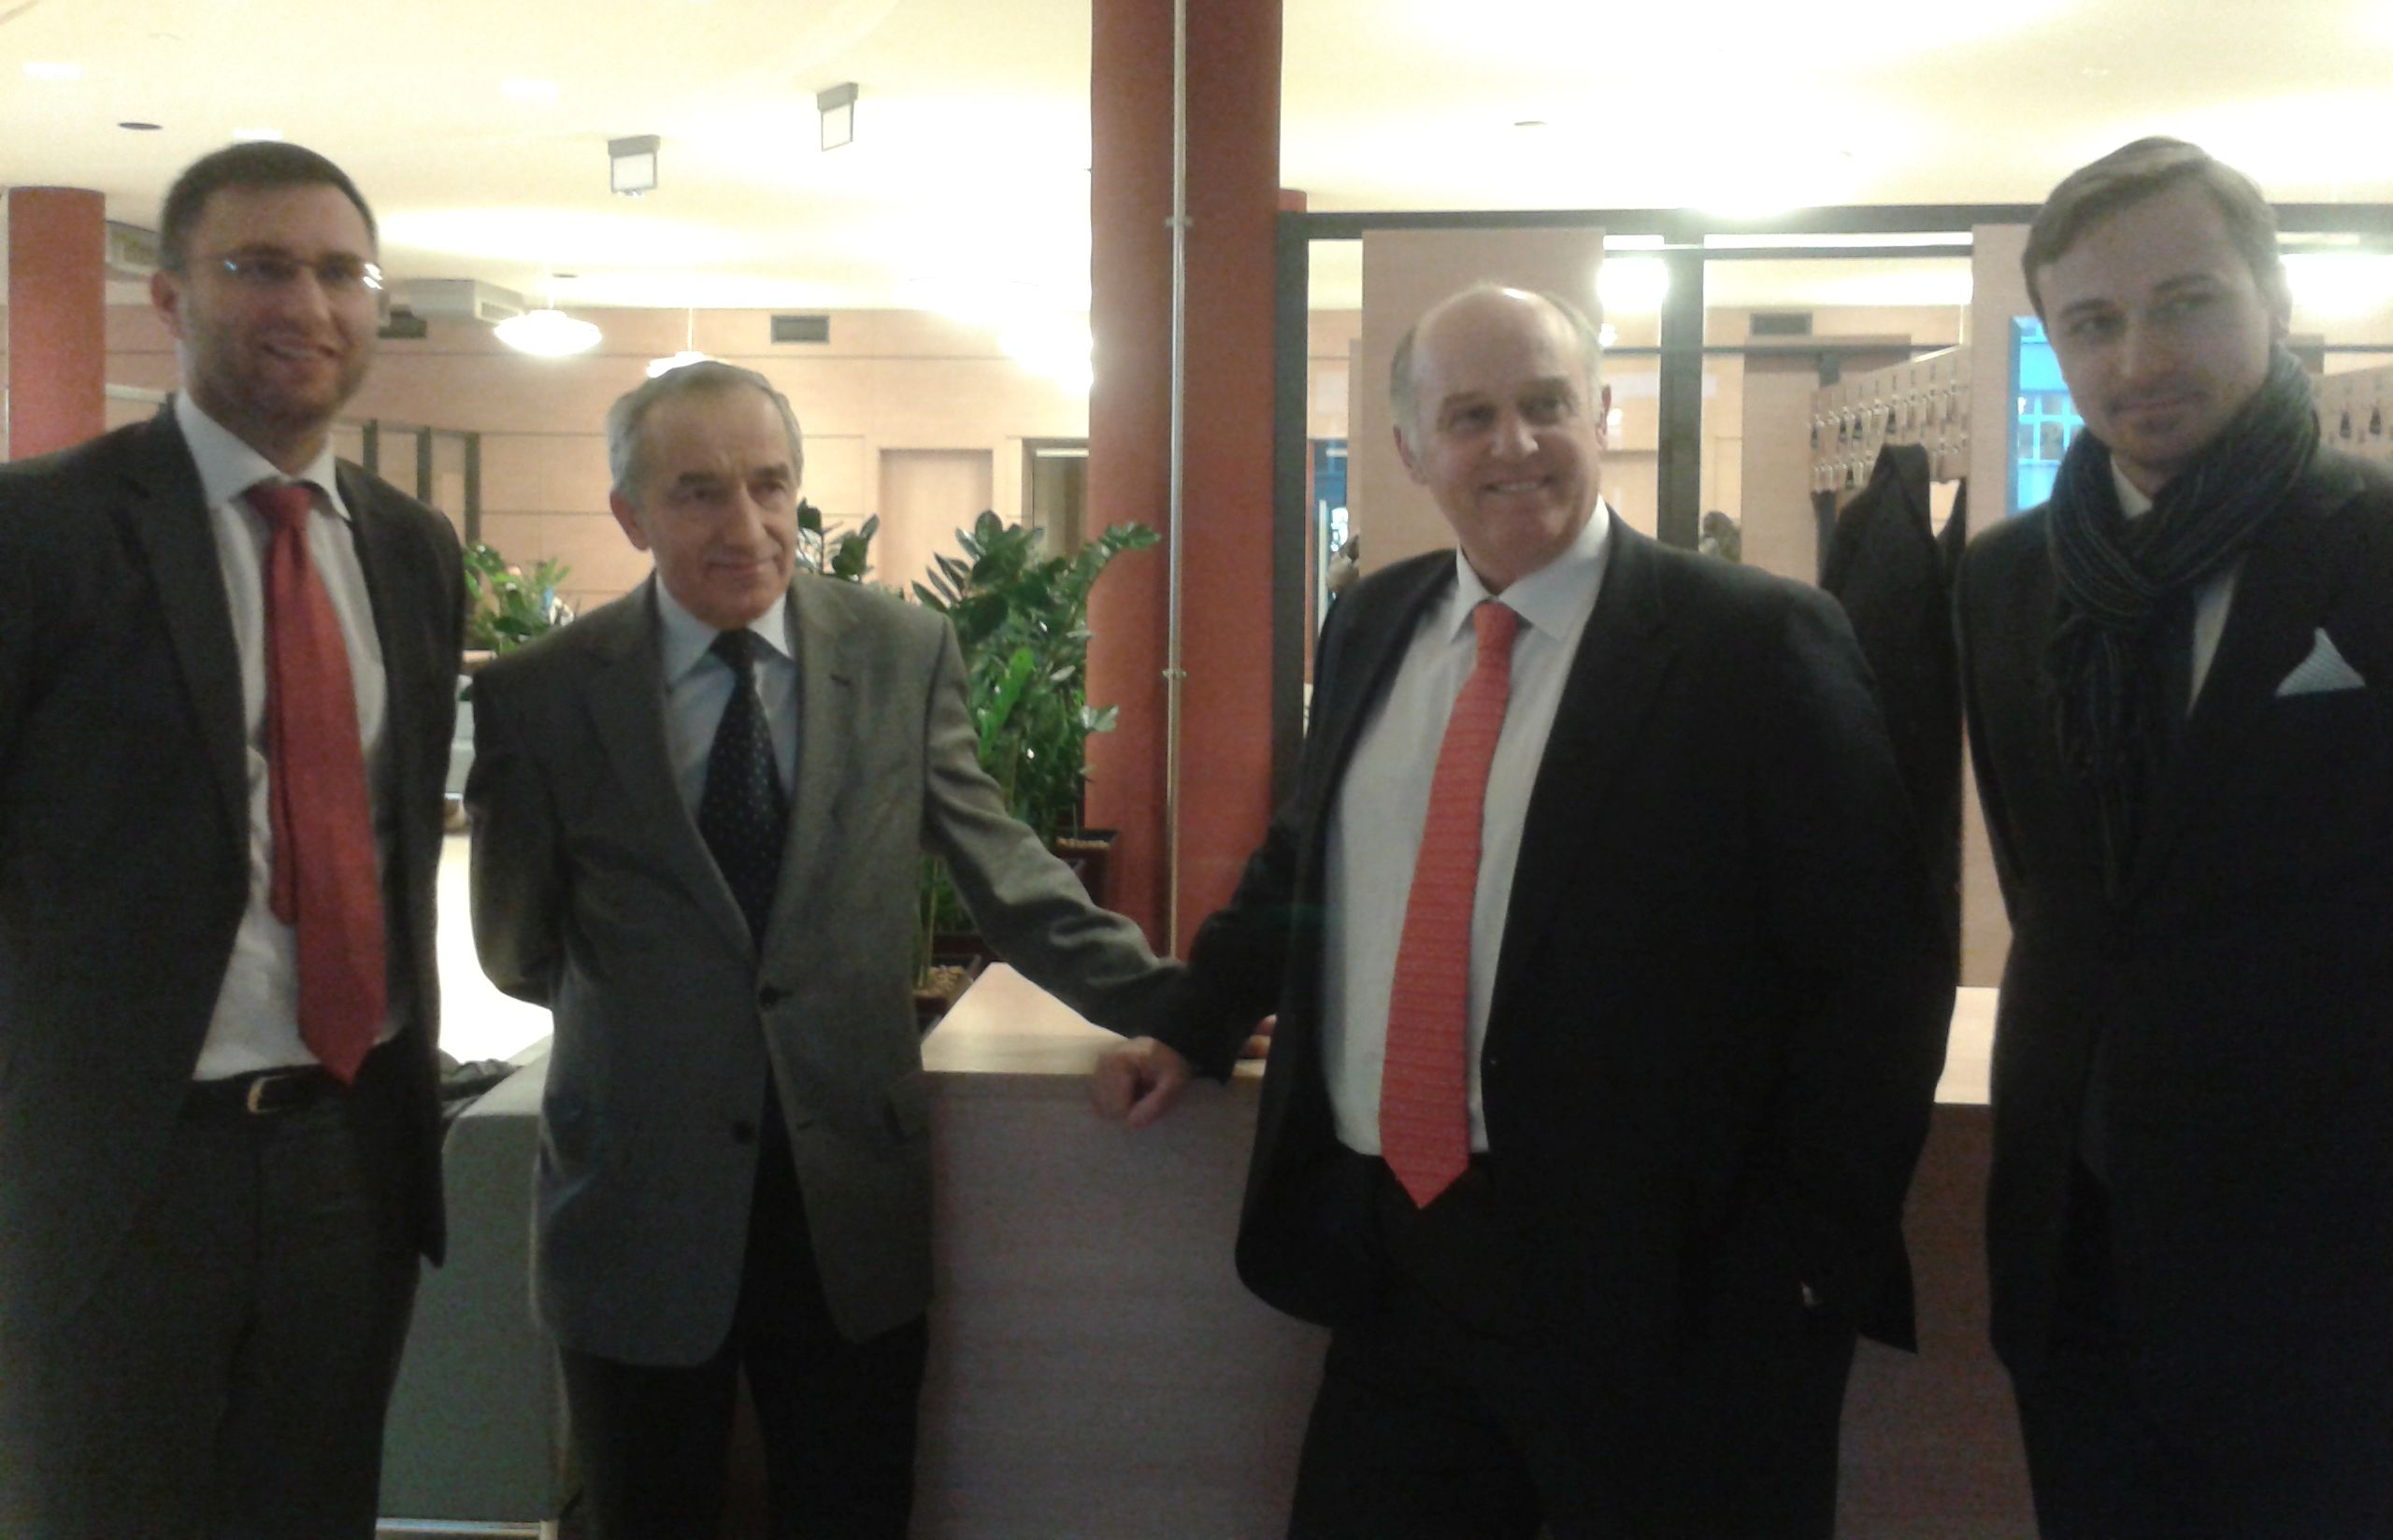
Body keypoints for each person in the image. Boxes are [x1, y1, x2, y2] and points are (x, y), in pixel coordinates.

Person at [1097, 284, 1953, 1539]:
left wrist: (1799, 1264)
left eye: (1547, 404)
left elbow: (1878, 974)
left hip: (1669, 1299)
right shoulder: (1374, 621)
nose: (1515, 444)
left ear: (1600, 415)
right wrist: (1191, 1023)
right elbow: (1307, 866)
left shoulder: (1754, 644)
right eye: (1471, 417)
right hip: (1397, 1262)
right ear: (1410, 450)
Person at [466, 359, 1186, 1540]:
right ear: (630, 515)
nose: (746, 526)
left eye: (769, 484)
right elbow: (515, 943)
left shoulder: (900, 653)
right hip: (634, 1201)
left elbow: (1005, 876)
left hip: (847, 1196)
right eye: (699, 492)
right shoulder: (542, 696)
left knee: (852, 1512)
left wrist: (1177, 1005)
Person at [0, 142, 466, 1538]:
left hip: (350, 1155)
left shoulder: (410, 548)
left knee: (315, 1509)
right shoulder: (39, 531)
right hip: (122, 1168)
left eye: (340, 272)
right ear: (169, 296)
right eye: (259, 267)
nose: (307, 305)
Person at [1957, 136, 2393, 1537]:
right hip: (2076, 1240)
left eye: (2186, 303)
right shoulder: (2005, 582)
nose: (2138, 359)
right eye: (2092, 322)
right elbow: (2056, 892)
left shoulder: (2376, 547)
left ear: (2274, 298)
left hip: (2334, 1255)